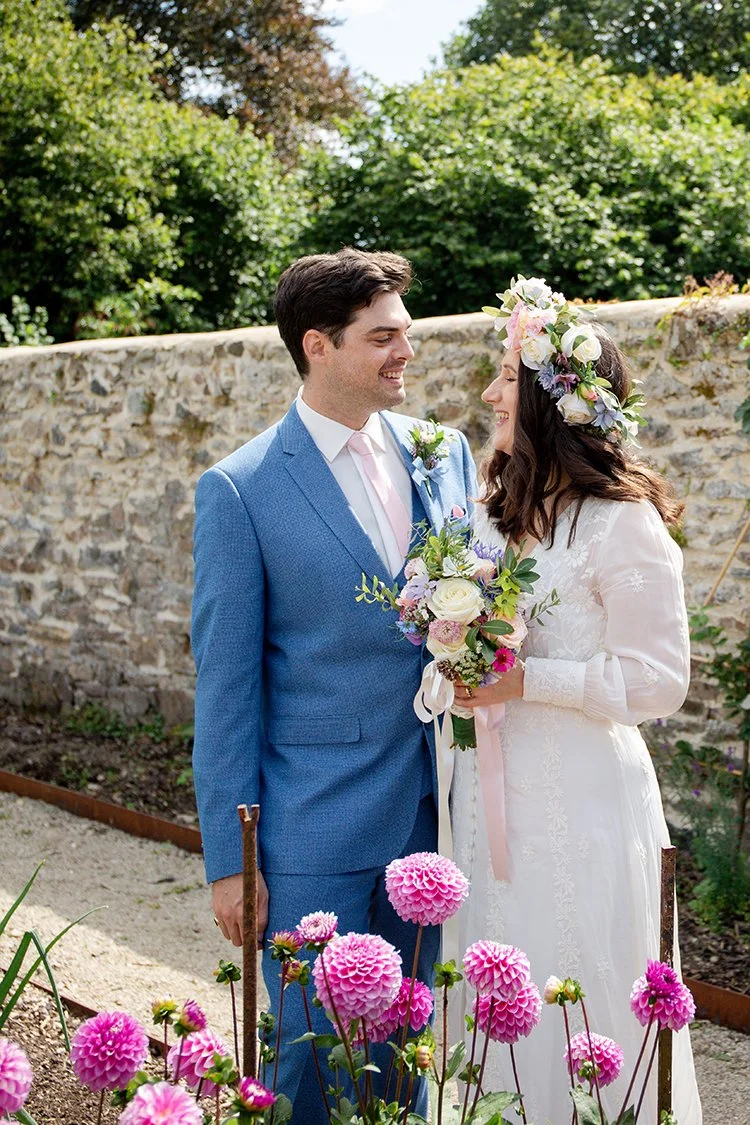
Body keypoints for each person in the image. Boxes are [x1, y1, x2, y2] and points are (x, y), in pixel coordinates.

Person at [191, 248, 477, 1120]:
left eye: (407, 334)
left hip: (433, 808)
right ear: (317, 344)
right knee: (311, 1063)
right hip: (312, 822)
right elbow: (226, 686)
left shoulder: (444, 453)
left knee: (408, 1056)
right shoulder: (240, 490)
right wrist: (231, 861)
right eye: (382, 337)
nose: (407, 354)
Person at [450, 277, 703, 1124]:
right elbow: (467, 654)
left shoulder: (621, 524)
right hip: (489, 798)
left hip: (588, 795)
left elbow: (660, 680)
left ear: (554, 402)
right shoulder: (495, 518)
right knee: (493, 979)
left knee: (582, 974)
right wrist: (450, 660)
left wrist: (531, 679)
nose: (489, 393)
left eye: (507, 378)